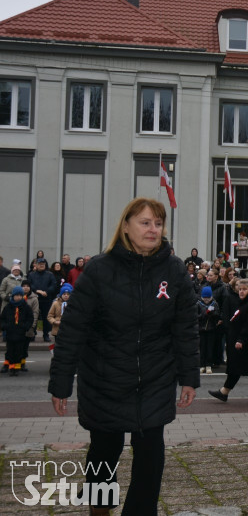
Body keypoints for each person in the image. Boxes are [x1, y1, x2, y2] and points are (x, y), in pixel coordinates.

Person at [48, 197, 199, 514]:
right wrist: (60, 383)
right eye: (145, 222)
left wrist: (189, 377)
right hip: (105, 378)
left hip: (155, 378)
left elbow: (185, 328)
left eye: (158, 223)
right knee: (104, 452)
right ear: (126, 227)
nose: (153, 229)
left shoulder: (174, 270)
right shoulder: (99, 270)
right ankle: (99, 508)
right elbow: (73, 330)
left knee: (150, 455)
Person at [2, 287, 33, 375]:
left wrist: (25, 327)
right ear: (13, 296)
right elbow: (3, 318)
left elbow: (30, 318)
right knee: (10, 350)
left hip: (20, 333)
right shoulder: (8, 307)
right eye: (16, 295)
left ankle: (17, 367)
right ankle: (11, 367)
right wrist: (5, 326)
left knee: (19, 351)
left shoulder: (26, 307)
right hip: (10, 333)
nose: (18, 297)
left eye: (20, 295)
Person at [26, 257, 57, 341]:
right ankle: (32, 333)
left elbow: (54, 285)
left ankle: (46, 334)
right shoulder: (31, 274)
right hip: (35, 299)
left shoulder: (50, 274)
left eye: (43, 264)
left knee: (46, 318)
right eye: (40, 264)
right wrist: (37, 291)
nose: (42, 265)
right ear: (36, 265)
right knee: (33, 316)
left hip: (46, 299)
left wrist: (47, 292)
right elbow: (29, 284)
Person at [197, 286, 221, 374]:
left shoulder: (214, 304)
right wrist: (203, 315)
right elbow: (195, 316)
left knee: (210, 347)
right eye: (205, 297)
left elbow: (217, 314)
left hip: (211, 328)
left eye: (208, 297)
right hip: (201, 329)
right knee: (202, 347)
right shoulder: (199, 304)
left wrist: (212, 314)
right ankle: (202, 365)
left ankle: (208, 364)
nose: (206, 299)